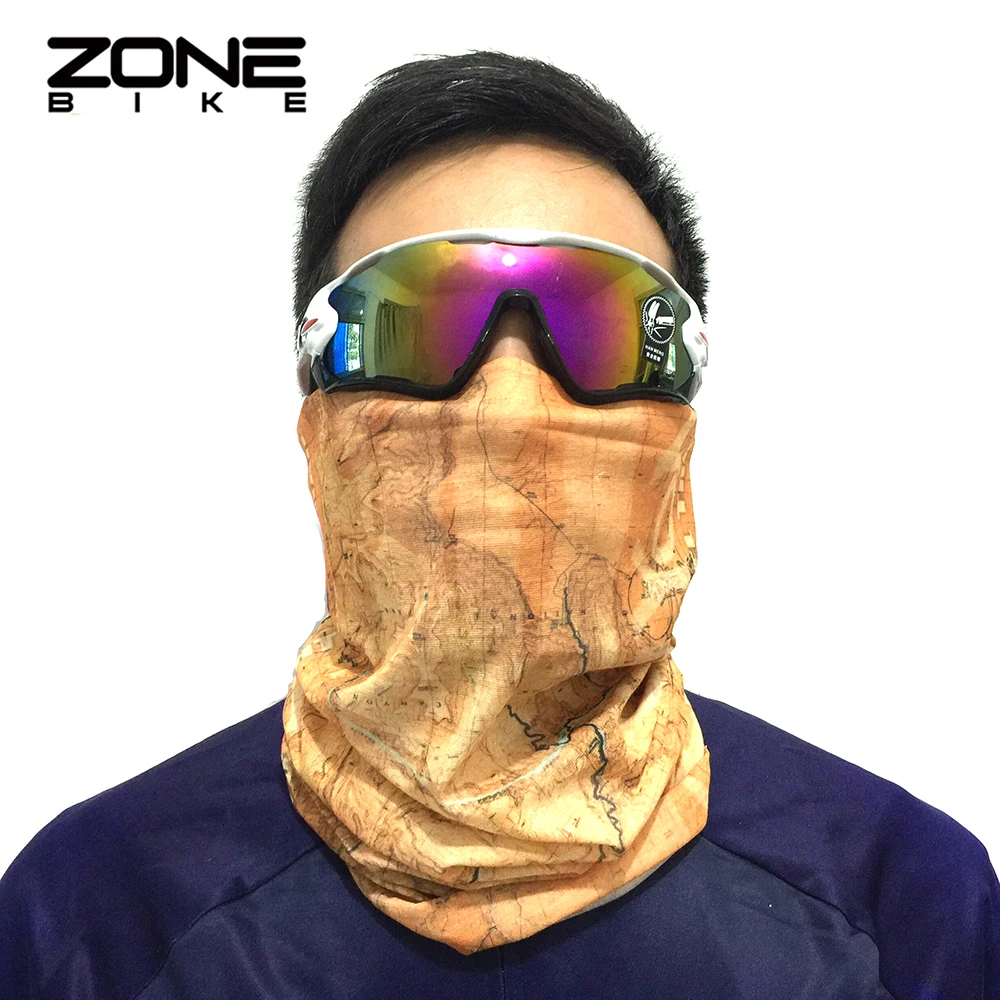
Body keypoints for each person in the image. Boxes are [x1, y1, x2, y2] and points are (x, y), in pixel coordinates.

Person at [1, 50, 997, 1000]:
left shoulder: (902, 905)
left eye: (605, 324)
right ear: (319, 415)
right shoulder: (96, 913)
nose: (509, 408)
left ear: (678, 417)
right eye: (414, 317)